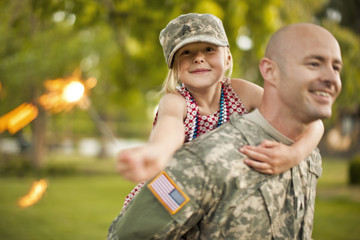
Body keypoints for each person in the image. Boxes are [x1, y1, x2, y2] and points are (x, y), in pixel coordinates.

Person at [107, 16, 342, 239]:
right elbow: (170, 128)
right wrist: (156, 153)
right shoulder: (176, 101)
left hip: (218, 194)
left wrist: (294, 154)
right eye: (186, 53)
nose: (198, 58)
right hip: (175, 192)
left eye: (209, 49)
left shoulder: (240, 91)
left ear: (228, 58)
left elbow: (313, 124)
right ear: (174, 67)